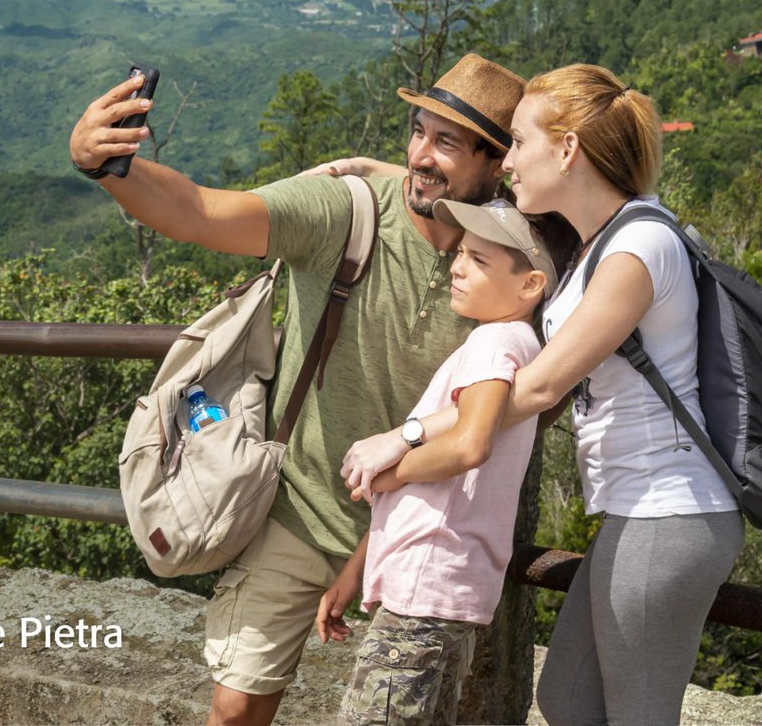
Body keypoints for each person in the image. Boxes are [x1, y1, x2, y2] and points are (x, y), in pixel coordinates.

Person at [68, 53, 527, 726]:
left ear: (499, 163)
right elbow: (200, 211)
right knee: (235, 708)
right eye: (417, 133)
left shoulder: (516, 256)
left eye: (448, 143)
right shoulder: (345, 212)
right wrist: (108, 166)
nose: (421, 156)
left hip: (423, 529)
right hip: (303, 508)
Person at [339, 63, 744, 726]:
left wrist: (406, 436)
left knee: (639, 715)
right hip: (635, 510)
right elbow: (494, 214)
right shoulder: (595, 239)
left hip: (669, 510)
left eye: (520, 143)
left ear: (567, 150)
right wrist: (375, 171)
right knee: (566, 700)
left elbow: (543, 384)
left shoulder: (637, 248)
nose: (508, 162)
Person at [316, 197, 557, 726]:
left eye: (479, 260)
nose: (457, 268)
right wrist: (354, 573)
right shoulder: (517, 344)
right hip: (443, 585)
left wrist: (389, 471)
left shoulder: (493, 342)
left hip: (425, 585)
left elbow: (470, 446)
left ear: (530, 285)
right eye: (460, 253)